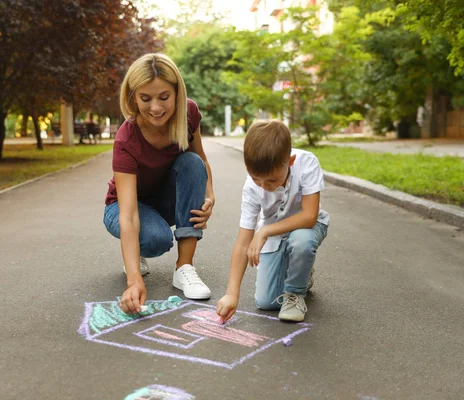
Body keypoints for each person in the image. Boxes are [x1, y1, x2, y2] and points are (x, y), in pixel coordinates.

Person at [103, 53, 215, 315]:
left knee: (191, 163)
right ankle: (136, 255)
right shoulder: (126, 140)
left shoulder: (188, 114)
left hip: (165, 201)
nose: (155, 107)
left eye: (164, 97)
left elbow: (200, 160)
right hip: (123, 207)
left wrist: (209, 195)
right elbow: (128, 215)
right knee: (156, 239)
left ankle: (184, 268)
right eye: (146, 98)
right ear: (132, 97)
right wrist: (134, 280)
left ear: (177, 93)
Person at [216, 120, 329, 323]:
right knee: (267, 302)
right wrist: (232, 294)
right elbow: (243, 243)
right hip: (276, 234)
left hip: (308, 227)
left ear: (290, 161)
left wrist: (264, 232)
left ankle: (295, 292)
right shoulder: (252, 187)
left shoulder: (307, 162)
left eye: (272, 180)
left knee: (301, 241)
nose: (264, 186)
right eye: (256, 178)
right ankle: (300, 269)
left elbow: (309, 216)